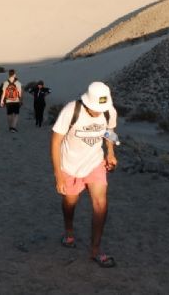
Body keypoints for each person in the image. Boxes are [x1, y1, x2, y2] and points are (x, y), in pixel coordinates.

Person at [50, 81, 119, 268]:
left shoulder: (108, 111)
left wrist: (111, 152)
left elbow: (109, 132)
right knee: (70, 202)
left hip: (95, 163)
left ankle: (95, 250)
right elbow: (56, 142)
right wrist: (59, 175)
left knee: (100, 203)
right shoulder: (71, 111)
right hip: (70, 166)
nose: (98, 111)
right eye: (95, 108)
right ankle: (69, 232)